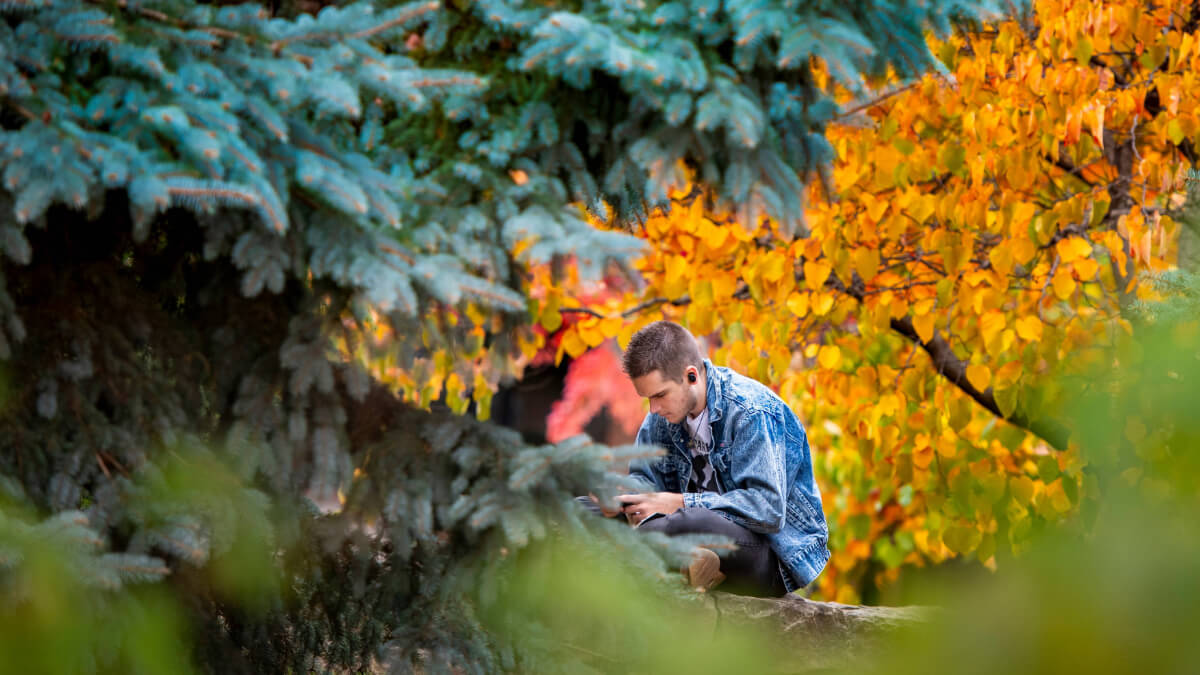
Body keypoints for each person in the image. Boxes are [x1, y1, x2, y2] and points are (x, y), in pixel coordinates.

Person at [588, 320, 829, 597]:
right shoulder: (663, 417)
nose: (653, 409)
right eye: (648, 398)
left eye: (660, 395)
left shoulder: (750, 412)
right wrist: (623, 496)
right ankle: (698, 567)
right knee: (583, 510)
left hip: (767, 554)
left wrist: (678, 502)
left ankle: (691, 564)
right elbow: (646, 479)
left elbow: (768, 511)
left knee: (687, 522)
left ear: (691, 376)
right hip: (683, 529)